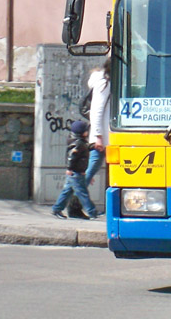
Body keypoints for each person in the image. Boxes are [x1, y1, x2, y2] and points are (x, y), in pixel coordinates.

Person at [51, 120, 99, 220]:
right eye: (86, 130)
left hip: (76, 172)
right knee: (82, 193)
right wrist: (70, 168)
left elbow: (85, 147)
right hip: (75, 173)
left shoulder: (80, 142)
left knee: (67, 191)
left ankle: (56, 209)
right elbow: (71, 157)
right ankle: (92, 211)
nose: (88, 132)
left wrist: (93, 146)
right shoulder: (77, 143)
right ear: (82, 132)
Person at [85, 58, 111, 193]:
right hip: (102, 138)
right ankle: (72, 201)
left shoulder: (108, 82)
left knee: (93, 170)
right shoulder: (104, 84)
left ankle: (72, 201)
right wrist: (98, 136)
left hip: (106, 136)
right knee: (90, 170)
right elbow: (97, 110)